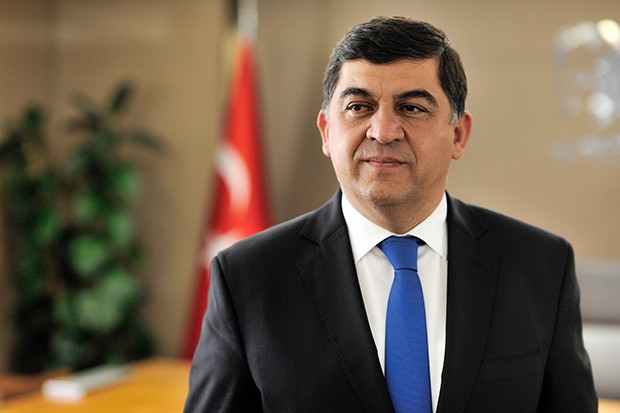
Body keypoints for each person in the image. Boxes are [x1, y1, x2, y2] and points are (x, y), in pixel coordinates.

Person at [184, 16, 597, 413]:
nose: (383, 131)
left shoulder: (541, 266)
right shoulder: (248, 277)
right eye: (359, 106)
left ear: (458, 134)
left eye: (412, 108)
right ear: (327, 131)